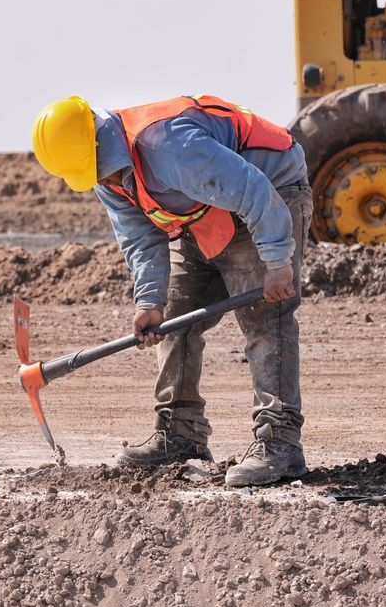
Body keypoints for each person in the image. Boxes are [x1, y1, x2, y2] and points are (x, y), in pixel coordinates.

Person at [30, 94, 311, 488]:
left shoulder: (167, 146)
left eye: (98, 171)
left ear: (99, 145)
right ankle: (180, 433)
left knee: (265, 320)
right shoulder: (104, 173)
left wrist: (278, 260)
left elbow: (252, 188)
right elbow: (141, 238)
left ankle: (279, 442)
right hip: (205, 209)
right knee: (175, 318)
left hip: (272, 192)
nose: (101, 181)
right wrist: (150, 302)